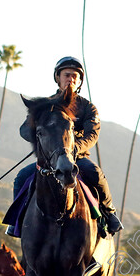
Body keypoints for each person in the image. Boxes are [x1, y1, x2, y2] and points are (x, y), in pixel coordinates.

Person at [7, 56, 123, 236]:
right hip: (49, 160)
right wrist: (43, 138)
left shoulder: (87, 108)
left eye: (75, 76)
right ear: (58, 78)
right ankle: (17, 222)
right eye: (67, 75)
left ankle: (109, 213)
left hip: (77, 157)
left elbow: (92, 134)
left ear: (79, 82)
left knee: (96, 174)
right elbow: (24, 130)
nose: (71, 79)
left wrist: (73, 148)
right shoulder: (45, 105)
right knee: (22, 177)